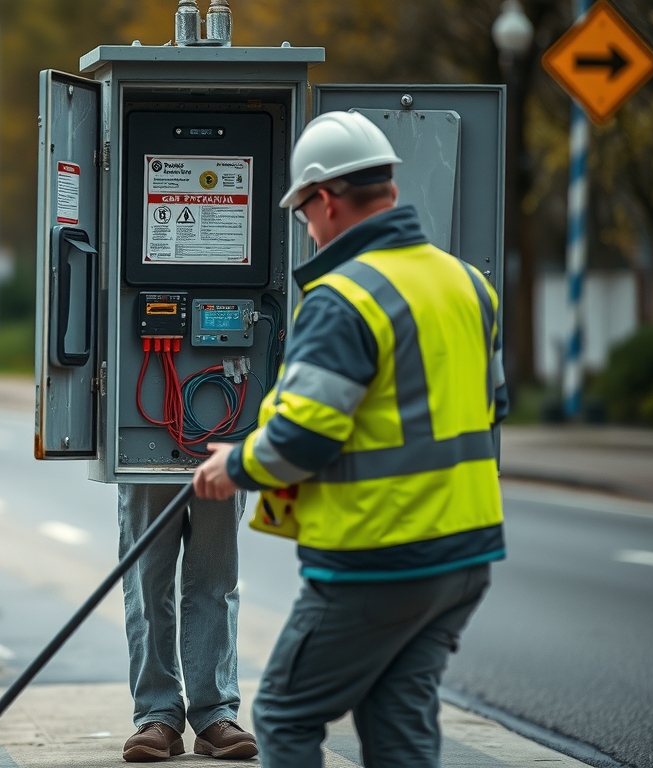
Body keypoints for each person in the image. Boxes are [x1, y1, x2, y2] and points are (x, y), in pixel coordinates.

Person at [192, 110, 507, 768]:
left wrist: (235, 466)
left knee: (284, 711)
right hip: (465, 556)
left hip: (380, 556)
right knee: (398, 719)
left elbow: (303, 439)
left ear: (326, 200)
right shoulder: (469, 285)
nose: (306, 227)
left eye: (304, 211)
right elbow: (490, 404)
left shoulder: (343, 299)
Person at [118, 486, 258, 762]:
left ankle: (215, 715)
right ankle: (157, 714)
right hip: (142, 451)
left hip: (221, 446)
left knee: (216, 582)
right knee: (147, 583)